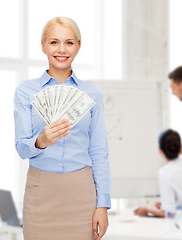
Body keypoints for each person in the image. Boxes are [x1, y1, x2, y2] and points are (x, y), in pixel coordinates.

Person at [14, 17, 110, 240]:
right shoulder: (25, 91)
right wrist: (41, 141)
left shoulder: (92, 94)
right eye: (54, 42)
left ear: (78, 45)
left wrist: (102, 204)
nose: (61, 49)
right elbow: (21, 148)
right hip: (41, 192)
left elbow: (99, 152)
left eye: (69, 42)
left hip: (82, 194)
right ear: (43, 46)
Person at [134, 129, 182, 217]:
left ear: (159, 150)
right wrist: (165, 204)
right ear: (180, 147)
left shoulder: (164, 172)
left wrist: (146, 210)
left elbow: (170, 214)